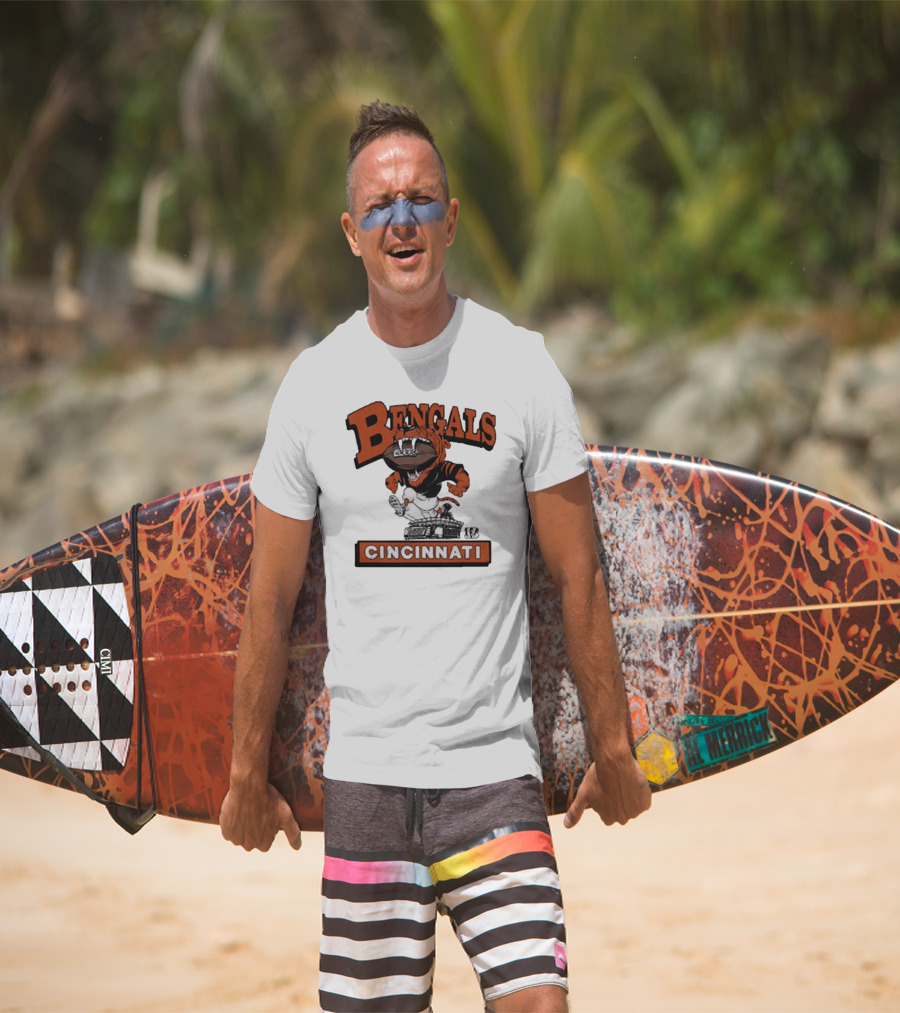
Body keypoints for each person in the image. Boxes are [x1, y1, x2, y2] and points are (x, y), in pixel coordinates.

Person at [220, 100, 651, 1013]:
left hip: (495, 772)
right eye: (380, 206)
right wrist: (242, 772)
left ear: (451, 219)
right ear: (351, 232)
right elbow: (269, 599)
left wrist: (612, 746)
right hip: (368, 778)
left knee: (540, 1003)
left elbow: (579, 575)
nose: (402, 220)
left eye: (421, 200)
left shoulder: (522, 368)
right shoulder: (313, 387)